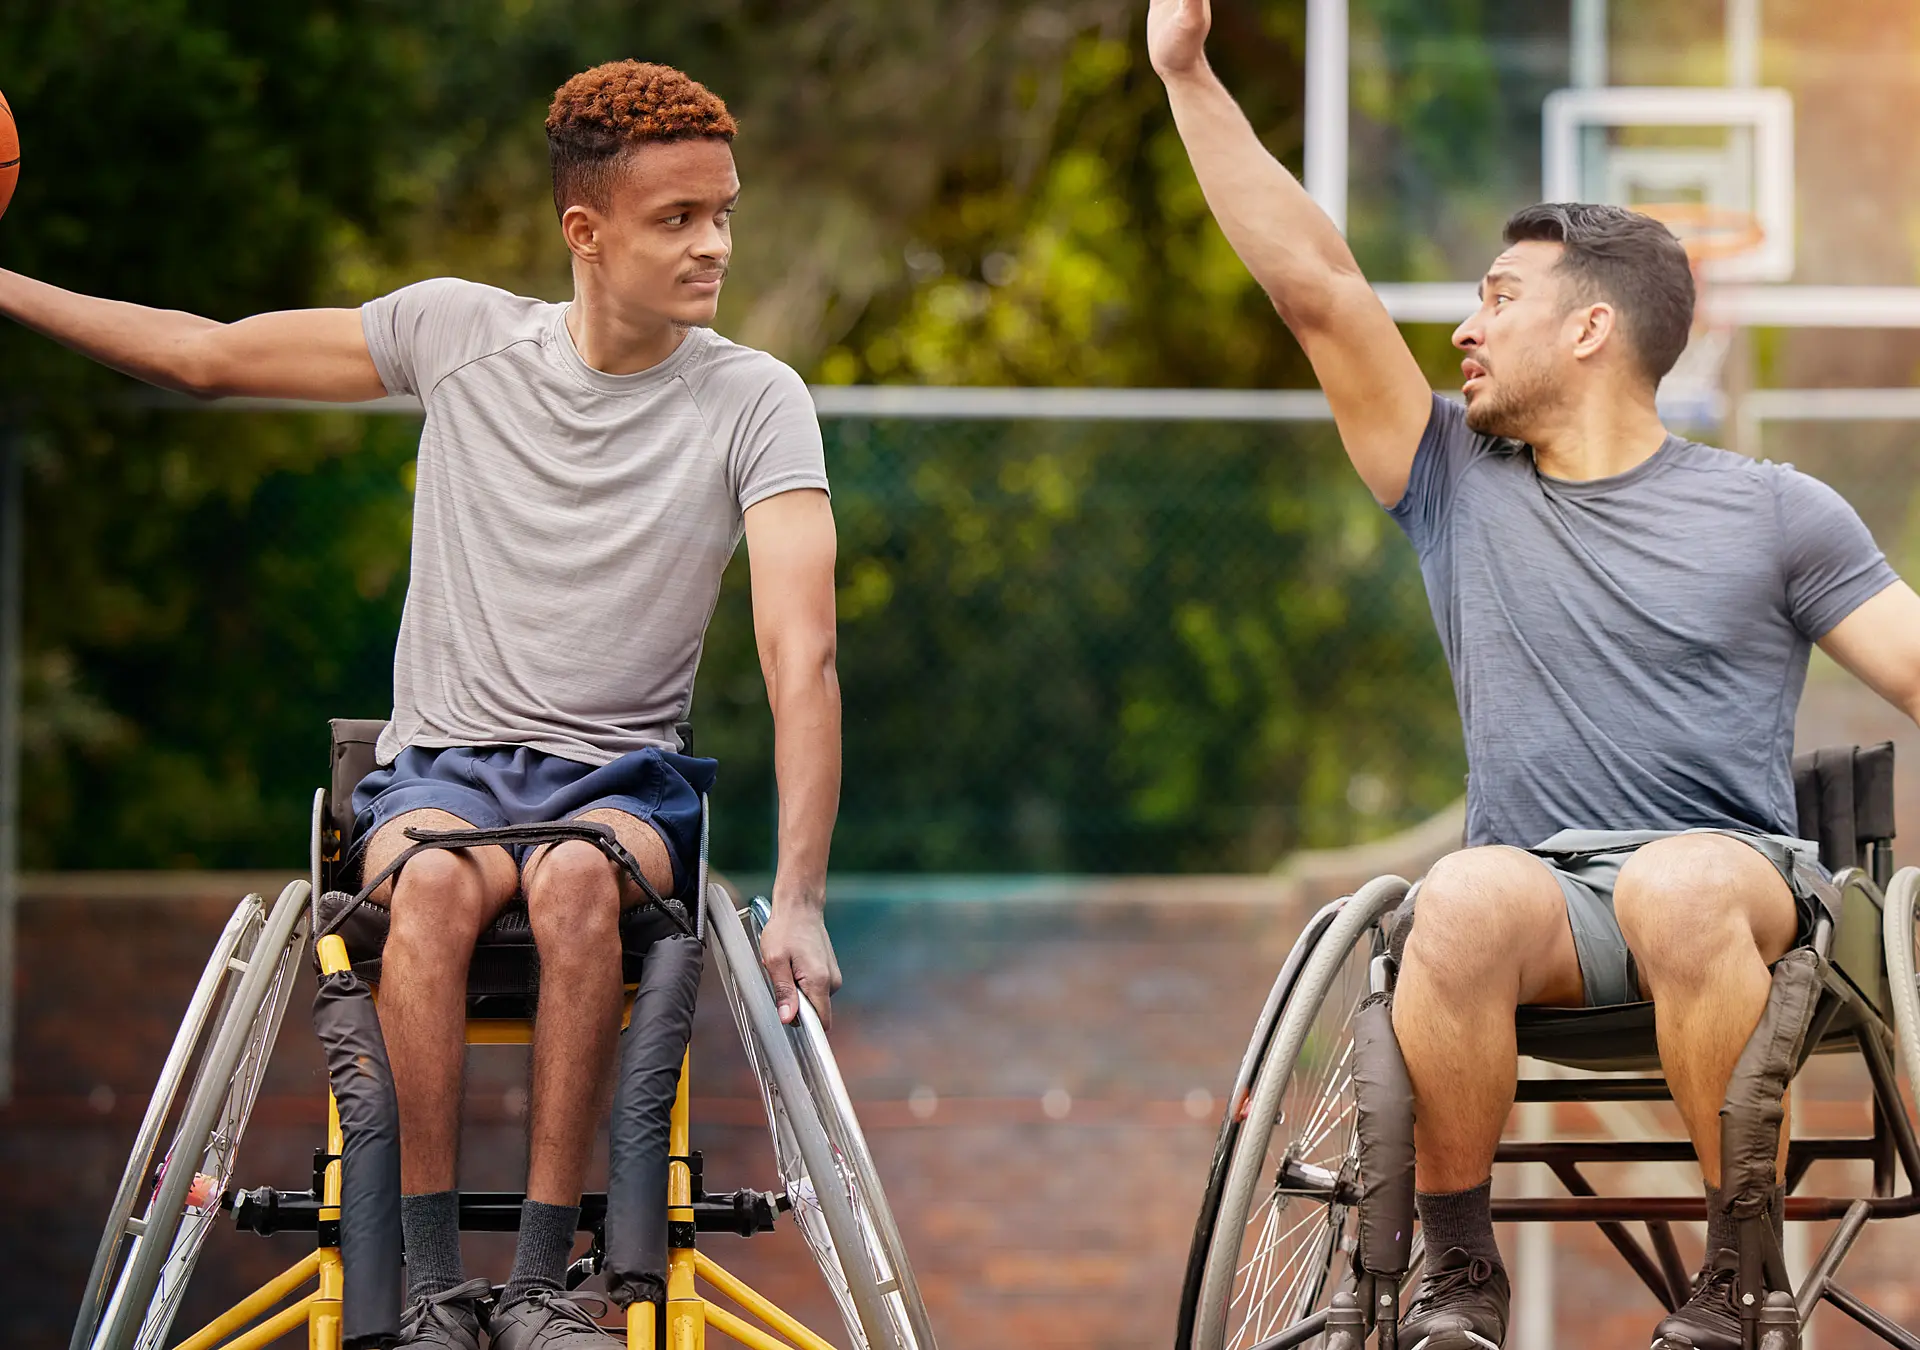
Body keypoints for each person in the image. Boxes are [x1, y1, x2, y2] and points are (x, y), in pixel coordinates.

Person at [0, 61, 843, 1350]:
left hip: (622, 784)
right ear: (586, 232)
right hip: (442, 772)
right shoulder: (459, 335)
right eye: (678, 219)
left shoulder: (756, 398)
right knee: (435, 890)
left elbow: (802, 656)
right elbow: (204, 356)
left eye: (724, 213)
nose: (715, 244)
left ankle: (546, 1284)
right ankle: (437, 1287)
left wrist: (800, 899)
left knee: (574, 884)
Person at [1148, 3, 1920, 1347]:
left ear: (1591, 328)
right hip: (1543, 901)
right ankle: (1459, 1279)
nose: (1466, 327)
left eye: (1499, 297)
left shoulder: (1777, 510)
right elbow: (1317, 285)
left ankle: (1736, 1276)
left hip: (1732, 887)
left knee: (1678, 883)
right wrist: (1185, 72)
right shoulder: (1453, 478)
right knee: (1453, 897)